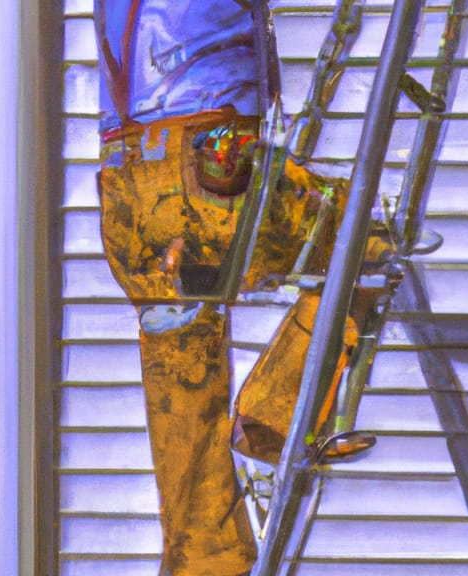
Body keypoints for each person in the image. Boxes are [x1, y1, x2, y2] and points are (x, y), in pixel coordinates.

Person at [95, 2, 382, 574]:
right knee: (364, 242)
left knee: (182, 367)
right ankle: (272, 417)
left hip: (128, 184)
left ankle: (207, 558)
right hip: (209, 163)